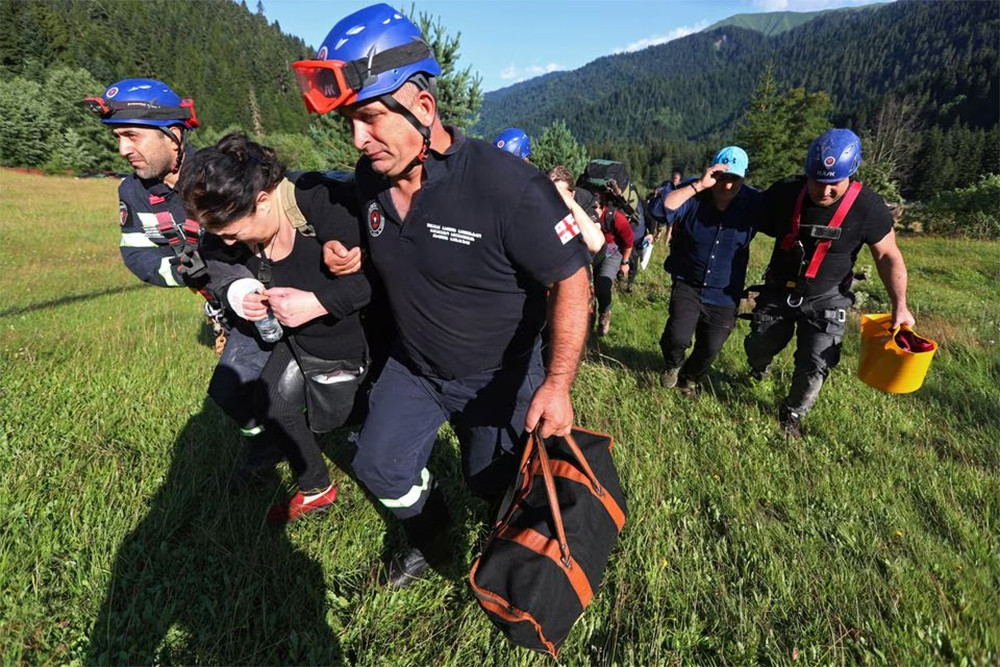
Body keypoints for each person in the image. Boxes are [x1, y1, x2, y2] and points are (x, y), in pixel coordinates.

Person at [293, 3, 591, 587]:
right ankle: (433, 540)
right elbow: (335, 211)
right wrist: (337, 244)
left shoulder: (508, 187)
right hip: (416, 369)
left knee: (496, 483)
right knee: (378, 466)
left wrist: (556, 385)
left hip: (498, 375)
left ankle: (510, 559)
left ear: (423, 108)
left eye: (371, 118)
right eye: (348, 122)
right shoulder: (370, 178)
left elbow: (571, 279)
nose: (358, 139)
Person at [84, 78, 279, 481]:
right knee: (230, 392)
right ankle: (267, 445)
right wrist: (178, 271)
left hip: (279, 291)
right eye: (118, 137)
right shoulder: (134, 194)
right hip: (233, 311)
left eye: (132, 135)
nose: (123, 149)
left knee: (317, 380)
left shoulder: (221, 172)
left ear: (173, 135)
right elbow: (136, 253)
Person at [179, 133, 373, 522]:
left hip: (356, 335)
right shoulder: (228, 226)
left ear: (263, 201)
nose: (226, 241)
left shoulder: (320, 203)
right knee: (274, 401)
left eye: (232, 233)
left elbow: (379, 282)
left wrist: (315, 303)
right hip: (295, 340)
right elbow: (213, 256)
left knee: (351, 414)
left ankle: (372, 438)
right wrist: (237, 290)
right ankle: (317, 488)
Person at [744, 128, 915, 437]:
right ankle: (760, 365)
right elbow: (745, 221)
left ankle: (793, 412)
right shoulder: (783, 193)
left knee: (815, 362)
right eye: (816, 182)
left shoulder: (869, 208)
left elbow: (888, 255)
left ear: (850, 174)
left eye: (833, 185)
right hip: (779, 290)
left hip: (828, 297)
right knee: (760, 344)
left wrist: (900, 306)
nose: (823, 192)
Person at [658, 146, 762, 395]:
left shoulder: (754, 202)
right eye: (721, 177)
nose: (727, 185)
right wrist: (699, 185)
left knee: (711, 347)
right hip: (689, 283)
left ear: (743, 178)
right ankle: (673, 363)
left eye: (734, 179)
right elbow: (661, 210)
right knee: (677, 337)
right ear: (711, 172)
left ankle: (689, 378)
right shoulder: (695, 193)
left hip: (725, 291)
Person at [592, 192, 634, 336]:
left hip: (612, 254)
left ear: (602, 207)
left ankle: (604, 312)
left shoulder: (616, 218)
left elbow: (629, 241)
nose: (592, 211)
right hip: (591, 254)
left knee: (603, 286)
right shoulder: (584, 215)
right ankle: (586, 322)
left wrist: (625, 262)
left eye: (595, 207)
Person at [548, 165, 606, 255]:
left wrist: (570, 203)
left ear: (572, 194)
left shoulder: (584, 201)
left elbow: (595, 244)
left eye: (558, 195)